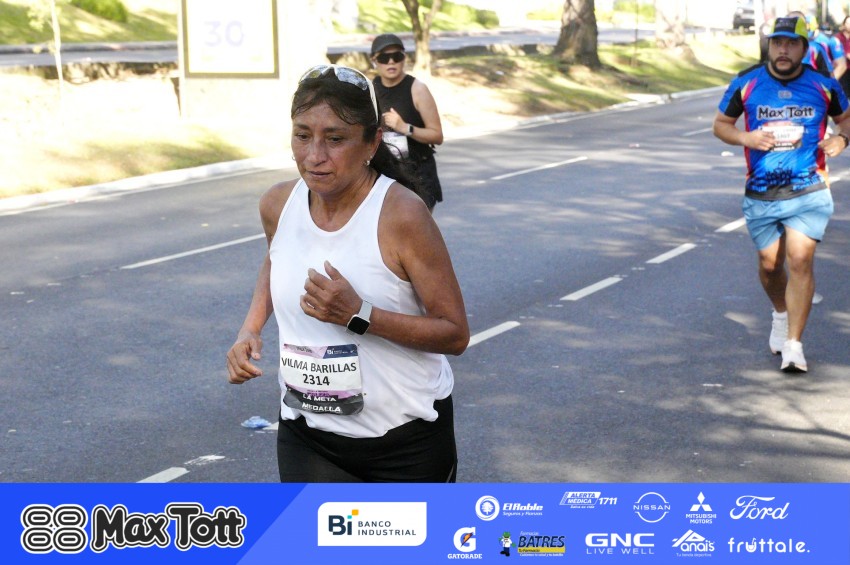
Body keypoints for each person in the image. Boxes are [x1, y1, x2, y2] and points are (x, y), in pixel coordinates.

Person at [225, 64, 469, 482]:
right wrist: (250, 329)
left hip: (403, 444)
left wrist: (359, 315)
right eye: (303, 135)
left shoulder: (402, 215)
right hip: (308, 437)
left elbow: (454, 333)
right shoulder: (277, 205)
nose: (314, 155)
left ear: (372, 142)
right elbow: (276, 258)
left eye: (335, 139)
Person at [713, 16, 850, 373]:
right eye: (777, 42)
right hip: (761, 191)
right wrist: (746, 137)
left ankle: (794, 346)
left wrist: (842, 139)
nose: (783, 49)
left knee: (800, 259)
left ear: (804, 48)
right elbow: (721, 125)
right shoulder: (747, 82)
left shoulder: (824, 85)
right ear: (769, 46)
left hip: (809, 187)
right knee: (770, 265)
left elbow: (847, 120)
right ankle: (780, 313)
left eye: (791, 43)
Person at [370, 33, 445, 211]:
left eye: (397, 56)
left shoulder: (417, 89)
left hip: (418, 174)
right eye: (384, 58)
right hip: (385, 174)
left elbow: (437, 135)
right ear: (374, 61)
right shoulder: (371, 89)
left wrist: (405, 128)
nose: (391, 62)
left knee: (416, 226)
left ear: (404, 58)